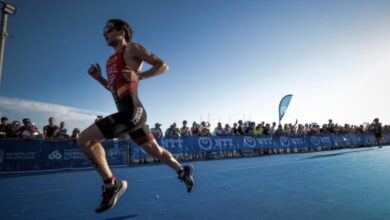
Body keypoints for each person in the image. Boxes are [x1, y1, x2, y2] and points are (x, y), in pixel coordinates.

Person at [77, 19, 194, 213]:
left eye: (108, 30)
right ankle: (182, 170)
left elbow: (163, 65)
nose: (105, 34)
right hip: (129, 114)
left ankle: (111, 184)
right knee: (154, 151)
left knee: (84, 140)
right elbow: (113, 89)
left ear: (121, 32)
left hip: (133, 112)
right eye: (104, 31)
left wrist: (140, 76)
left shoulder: (132, 49)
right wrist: (99, 78)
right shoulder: (109, 60)